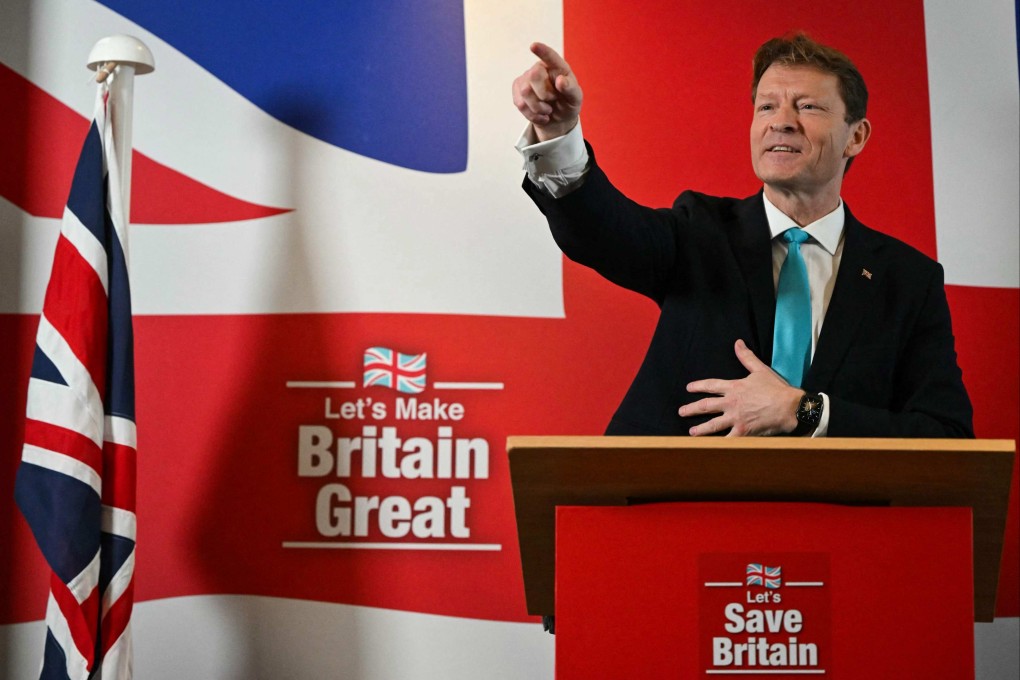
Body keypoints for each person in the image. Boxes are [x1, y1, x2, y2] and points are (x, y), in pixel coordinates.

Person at [511, 34, 973, 441]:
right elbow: (602, 232)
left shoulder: (907, 281)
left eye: (808, 106)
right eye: (767, 106)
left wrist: (805, 411)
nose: (781, 121)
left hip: (834, 510)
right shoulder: (699, 231)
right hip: (683, 501)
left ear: (856, 136)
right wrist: (559, 133)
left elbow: (946, 435)